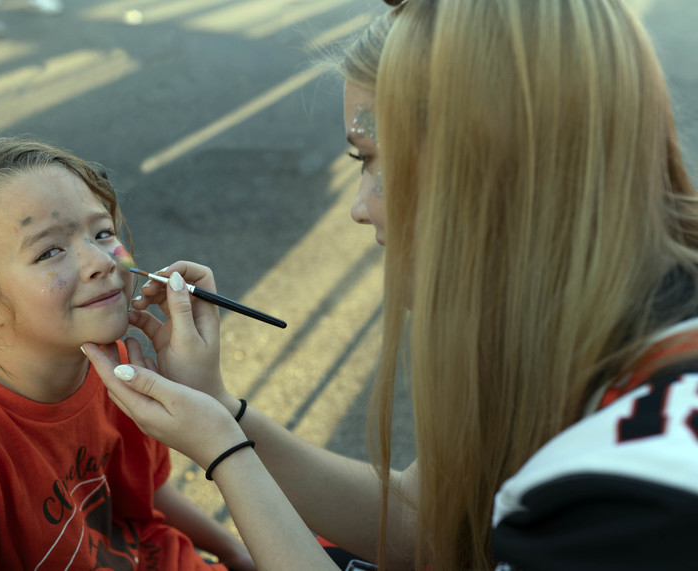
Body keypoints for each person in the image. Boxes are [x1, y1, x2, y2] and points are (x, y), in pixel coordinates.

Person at [83, 0, 698, 569]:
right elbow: (423, 523)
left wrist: (223, 452)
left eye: (372, 159)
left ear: (493, 170)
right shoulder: (580, 328)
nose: (359, 206)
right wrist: (220, 409)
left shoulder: (634, 493)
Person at [0, 137, 254, 570]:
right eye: (49, 250)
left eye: (103, 232)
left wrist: (236, 551)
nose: (102, 261)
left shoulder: (118, 362)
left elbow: (146, 495)